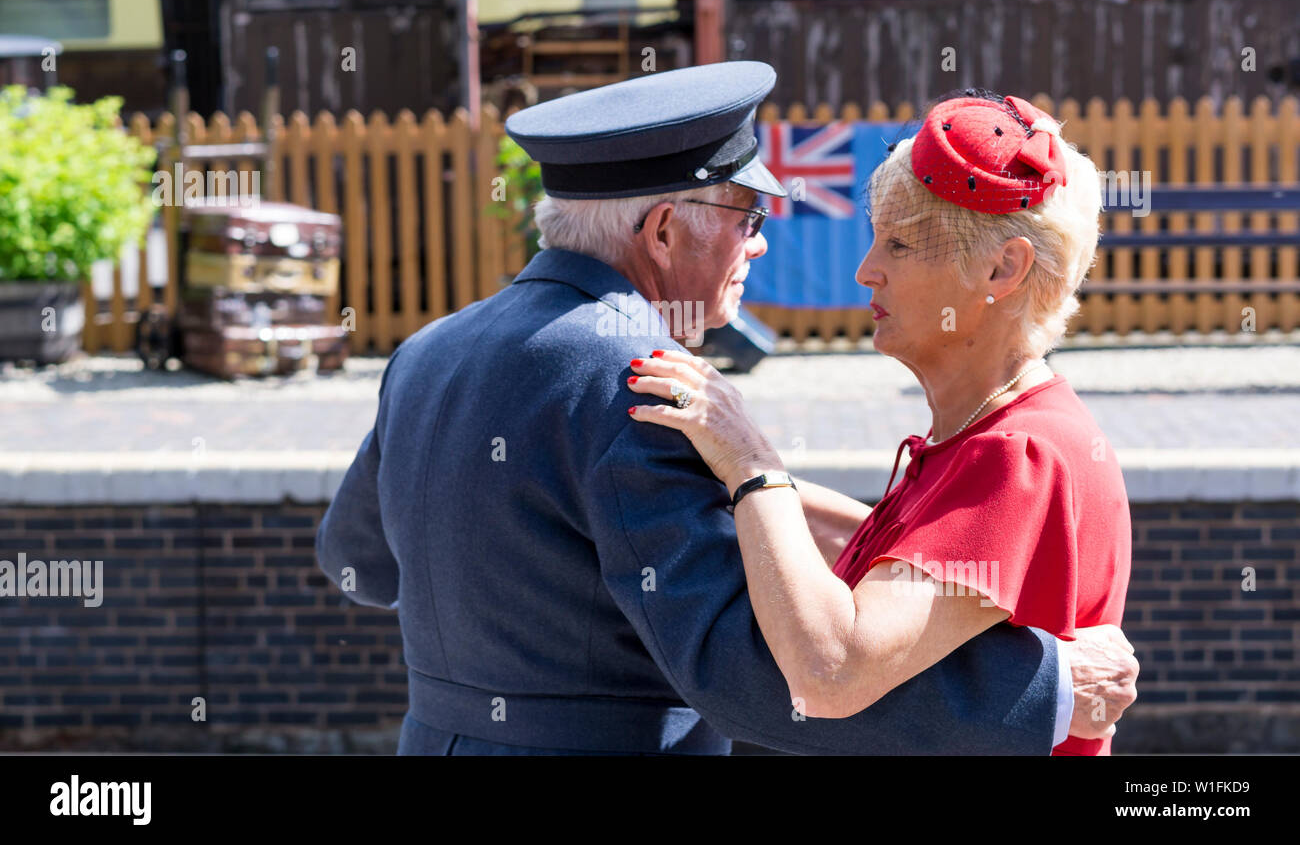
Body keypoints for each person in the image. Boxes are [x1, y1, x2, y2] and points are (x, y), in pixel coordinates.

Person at [315, 65, 1139, 755]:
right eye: (747, 217)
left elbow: (358, 561)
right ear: (667, 231)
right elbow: (756, 680)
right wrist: (1052, 690)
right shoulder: (639, 378)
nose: (760, 244)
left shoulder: (427, 352)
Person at [628, 89, 1132, 754]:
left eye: (899, 244)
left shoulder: (1018, 454)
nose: (868, 272)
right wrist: (713, 465)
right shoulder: (995, 431)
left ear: (1002, 268)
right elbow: (882, 551)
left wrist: (749, 468)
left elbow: (832, 671)